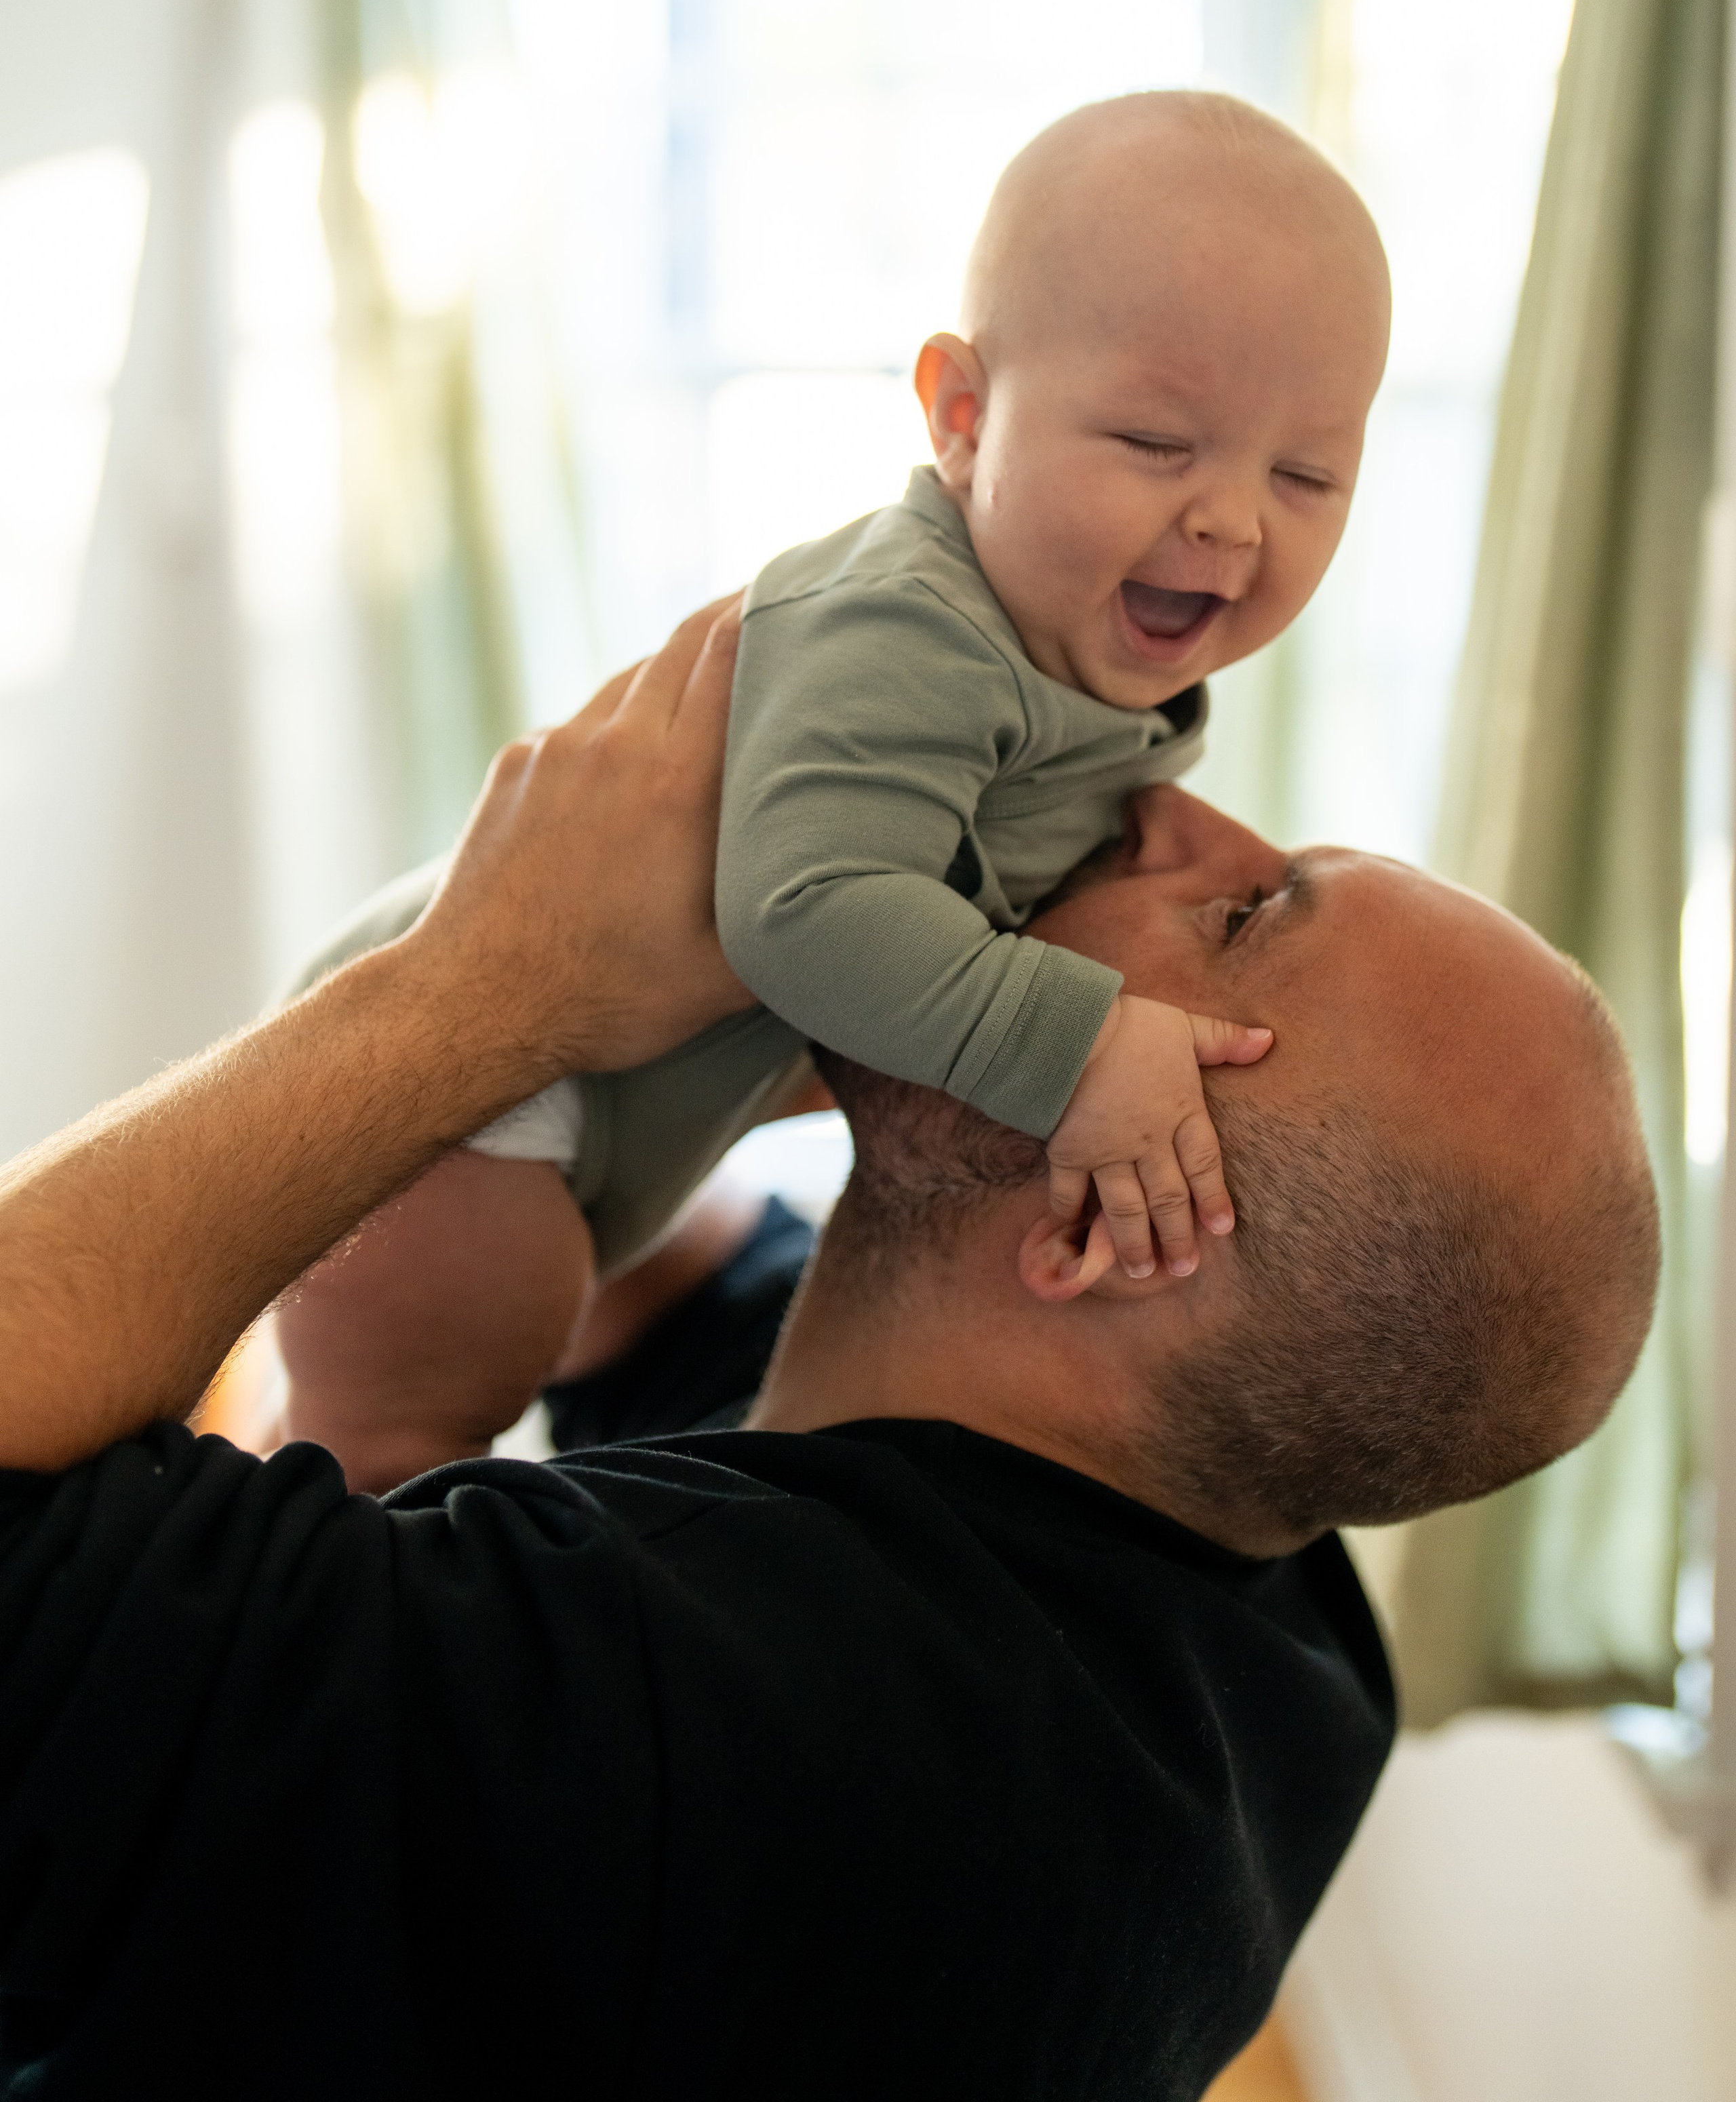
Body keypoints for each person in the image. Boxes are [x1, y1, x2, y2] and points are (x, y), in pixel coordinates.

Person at [0, 609, 1657, 2101]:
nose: (1162, 808)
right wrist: (796, 980)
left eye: (1233, 916)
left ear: (1095, 1237)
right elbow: (640, 1289)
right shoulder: (1254, 1619)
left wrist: (480, 989)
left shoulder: (713, 1731)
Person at [278, 86, 1390, 1480]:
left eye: (1305, 474)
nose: (1227, 516)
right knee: (395, 1453)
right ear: (965, 418)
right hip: (469, 1092)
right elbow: (805, 911)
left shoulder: (1095, 677)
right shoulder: (910, 628)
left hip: (606, 1130)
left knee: (478, 1389)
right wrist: (1082, 1048)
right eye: (1155, 445)